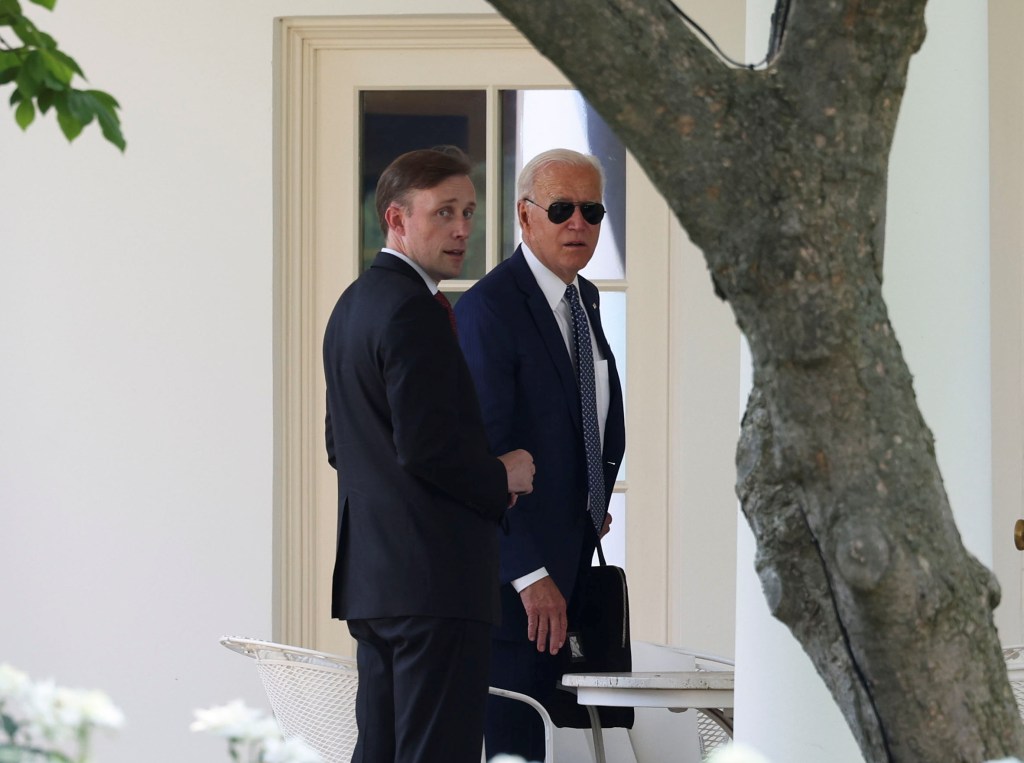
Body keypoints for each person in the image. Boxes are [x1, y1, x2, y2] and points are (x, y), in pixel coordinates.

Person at [322, 146, 535, 763]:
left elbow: (344, 445)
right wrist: (503, 475)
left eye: (468, 211)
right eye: (443, 212)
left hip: (376, 584)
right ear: (396, 218)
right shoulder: (415, 309)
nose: (463, 228)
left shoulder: (352, 305)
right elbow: (427, 449)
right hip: (435, 585)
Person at [455, 148, 626, 760]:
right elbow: (481, 453)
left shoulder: (585, 300)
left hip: (574, 570)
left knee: (569, 746)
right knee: (517, 747)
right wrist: (528, 574)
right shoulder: (489, 309)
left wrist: (593, 496)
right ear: (525, 219)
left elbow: (591, 416)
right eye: (561, 209)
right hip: (517, 592)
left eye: (592, 210)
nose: (578, 223)